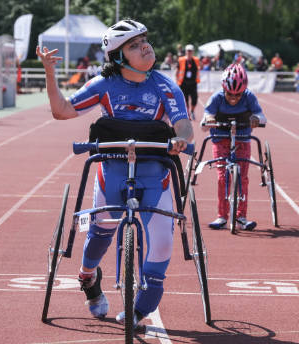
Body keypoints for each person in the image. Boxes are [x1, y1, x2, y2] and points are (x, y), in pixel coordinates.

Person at [36, 19, 193, 328]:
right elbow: (62, 110)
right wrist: (50, 72)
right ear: (118, 57)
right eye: (134, 45)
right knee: (101, 232)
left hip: (155, 173)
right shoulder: (104, 85)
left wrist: (181, 140)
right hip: (112, 171)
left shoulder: (165, 85)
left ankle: (140, 308)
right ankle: (88, 276)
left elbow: (183, 124)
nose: (145, 46)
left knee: (161, 243)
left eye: (145, 40)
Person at [201, 63, 266, 231]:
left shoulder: (249, 97)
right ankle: (222, 216)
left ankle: (241, 217)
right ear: (224, 89)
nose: (234, 98)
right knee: (223, 178)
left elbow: (262, 116)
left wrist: (257, 119)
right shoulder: (216, 98)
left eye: (238, 95)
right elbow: (206, 116)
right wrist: (208, 119)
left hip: (242, 138)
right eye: (230, 94)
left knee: (242, 178)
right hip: (221, 138)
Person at [176, 44, 200, 120]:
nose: (189, 52)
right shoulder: (181, 60)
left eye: (191, 51)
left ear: (193, 52)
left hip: (193, 83)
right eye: (188, 51)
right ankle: (188, 113)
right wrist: (177, 81)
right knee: (185, 100)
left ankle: (192, 111)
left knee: (195, 99)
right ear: (186, 51)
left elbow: (199, 68)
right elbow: (177, 71)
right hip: (183, 84)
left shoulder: (196, 60)